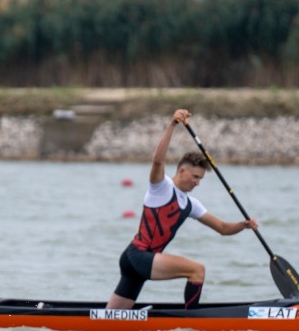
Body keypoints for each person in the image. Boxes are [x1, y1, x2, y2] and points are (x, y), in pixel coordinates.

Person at [107, 109, 258, 310]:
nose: (197, 183)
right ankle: (191, 322)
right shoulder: (161, 187)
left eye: (200, 179)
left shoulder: (191, 204)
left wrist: (243, 225)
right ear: (182, 171)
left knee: (111, 319)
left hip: (136, 261)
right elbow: (158, 161)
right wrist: (173, 125)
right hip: (139, 256)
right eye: (195, 177)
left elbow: (222, 228)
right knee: (197, 270)